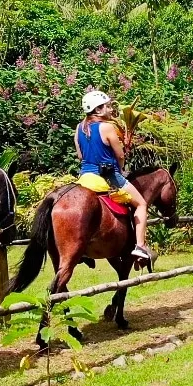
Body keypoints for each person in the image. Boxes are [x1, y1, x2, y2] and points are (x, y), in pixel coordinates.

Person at [74, 90, 156, 269]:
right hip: (107, 177)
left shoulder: (79, 127)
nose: (111, 109)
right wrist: (119, 169)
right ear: (97, 110)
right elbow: (120, 156)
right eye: (107, 106)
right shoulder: (107, 127)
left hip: (84, 178)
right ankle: (140, 246)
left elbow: (80, 156)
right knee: (141, 204)